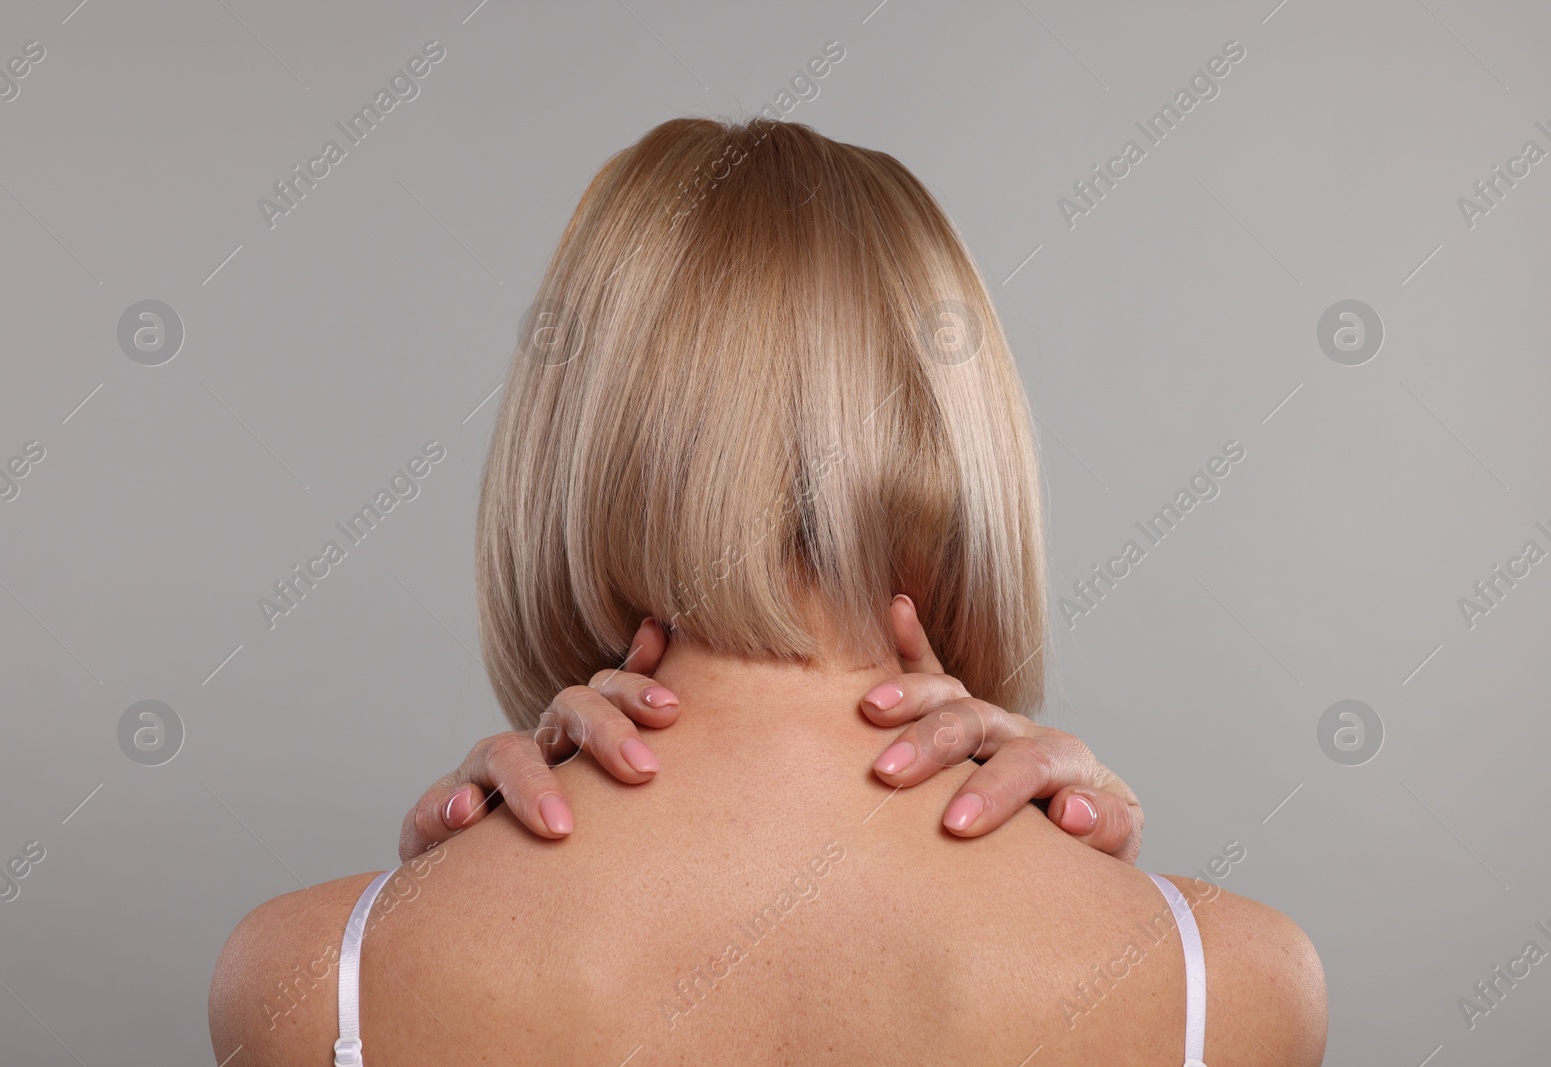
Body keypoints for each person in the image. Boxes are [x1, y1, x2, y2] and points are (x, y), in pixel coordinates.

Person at [209, 117, 1325, 1066]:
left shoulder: (306, 979)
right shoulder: (1229, 984)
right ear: (960, 445)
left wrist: (420, 918)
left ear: (576, 448)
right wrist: (1120, 910)